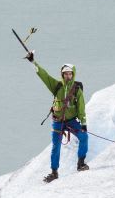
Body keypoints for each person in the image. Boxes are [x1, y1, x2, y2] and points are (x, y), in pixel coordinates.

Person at [27, 51, 89, 183]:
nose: (68, 75)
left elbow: (81, 106)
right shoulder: (57, 85)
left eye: (70, 73)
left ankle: (81, 163)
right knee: (56, 146)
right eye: (65, 73)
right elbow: (44, 76)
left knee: (84, 137)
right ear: (62, 74)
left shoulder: (77, 88)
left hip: (72, 121)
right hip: (58, 121)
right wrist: (33, 62)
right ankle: (54, 172)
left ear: (73, 74)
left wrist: (83, 123)